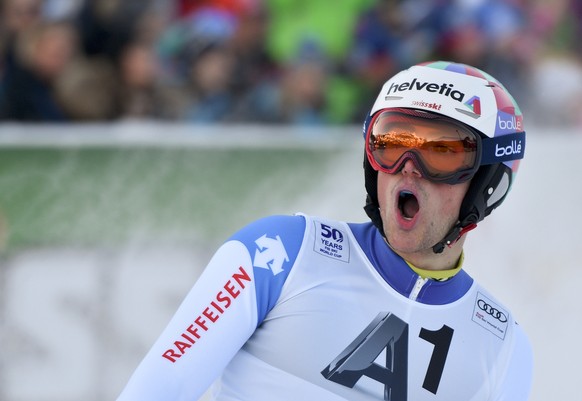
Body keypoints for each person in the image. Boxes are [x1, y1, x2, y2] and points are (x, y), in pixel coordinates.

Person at [116, 61, 532, 400]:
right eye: (390, 141)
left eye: (442, 152)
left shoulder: (503, 347)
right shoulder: (280, 252)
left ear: (487, 185)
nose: (408, 167)